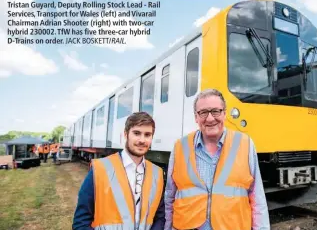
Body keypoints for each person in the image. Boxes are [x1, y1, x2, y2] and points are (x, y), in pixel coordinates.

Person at [164, 89, 270, 230]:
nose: (210, 118)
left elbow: (257, 197)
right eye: (203, 112)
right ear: (196, 117)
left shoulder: (245, 143)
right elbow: (170, 196)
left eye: (215, 111)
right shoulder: (180, 147)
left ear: (224, 114)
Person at [73, 112, 165, 230]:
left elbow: (160, 217)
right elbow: (81, 223)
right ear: (126, 135)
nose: (142, 140)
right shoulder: (100, 169)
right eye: (137, 133)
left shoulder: (157, 173)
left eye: (147, 135)